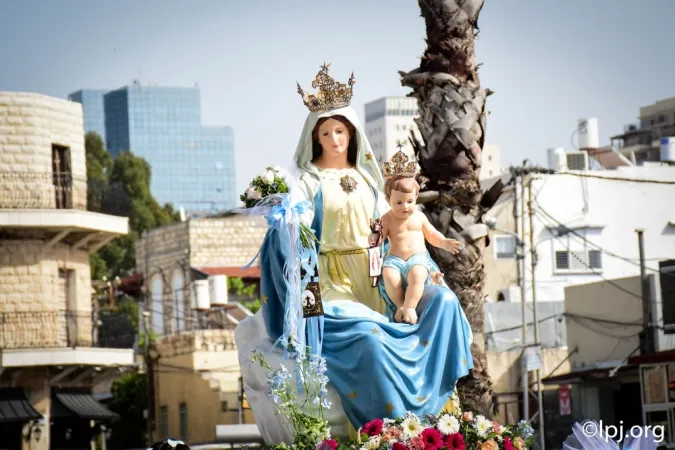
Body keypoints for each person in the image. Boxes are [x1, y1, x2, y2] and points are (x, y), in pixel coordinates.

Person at [234, 64, 473, 444]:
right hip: (331, 284)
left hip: (378, 275)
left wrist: (427, 267)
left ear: (352, 133)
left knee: (442, 302)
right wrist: (282, 215)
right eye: (325, 132)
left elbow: (402, 232)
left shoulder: (369, 180)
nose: (334, 138)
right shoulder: (309, 181)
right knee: (369, 337)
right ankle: (388, 431)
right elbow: (292, 227)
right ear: (315, 137)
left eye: (340, 130)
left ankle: (433, 413)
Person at [380, 167, 462, 325]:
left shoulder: (419, 217)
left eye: (409, 201)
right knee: (389, 276)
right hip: (394, 259)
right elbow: (378, 240)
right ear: (388, 200)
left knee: (417, 274)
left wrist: (445, 242)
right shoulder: (387, 219)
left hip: (417, 258)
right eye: (399, 202)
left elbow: (432, 235)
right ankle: (400, 306)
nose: (405, 206)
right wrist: (374, 234)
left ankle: (410, 307)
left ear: (416, 197)